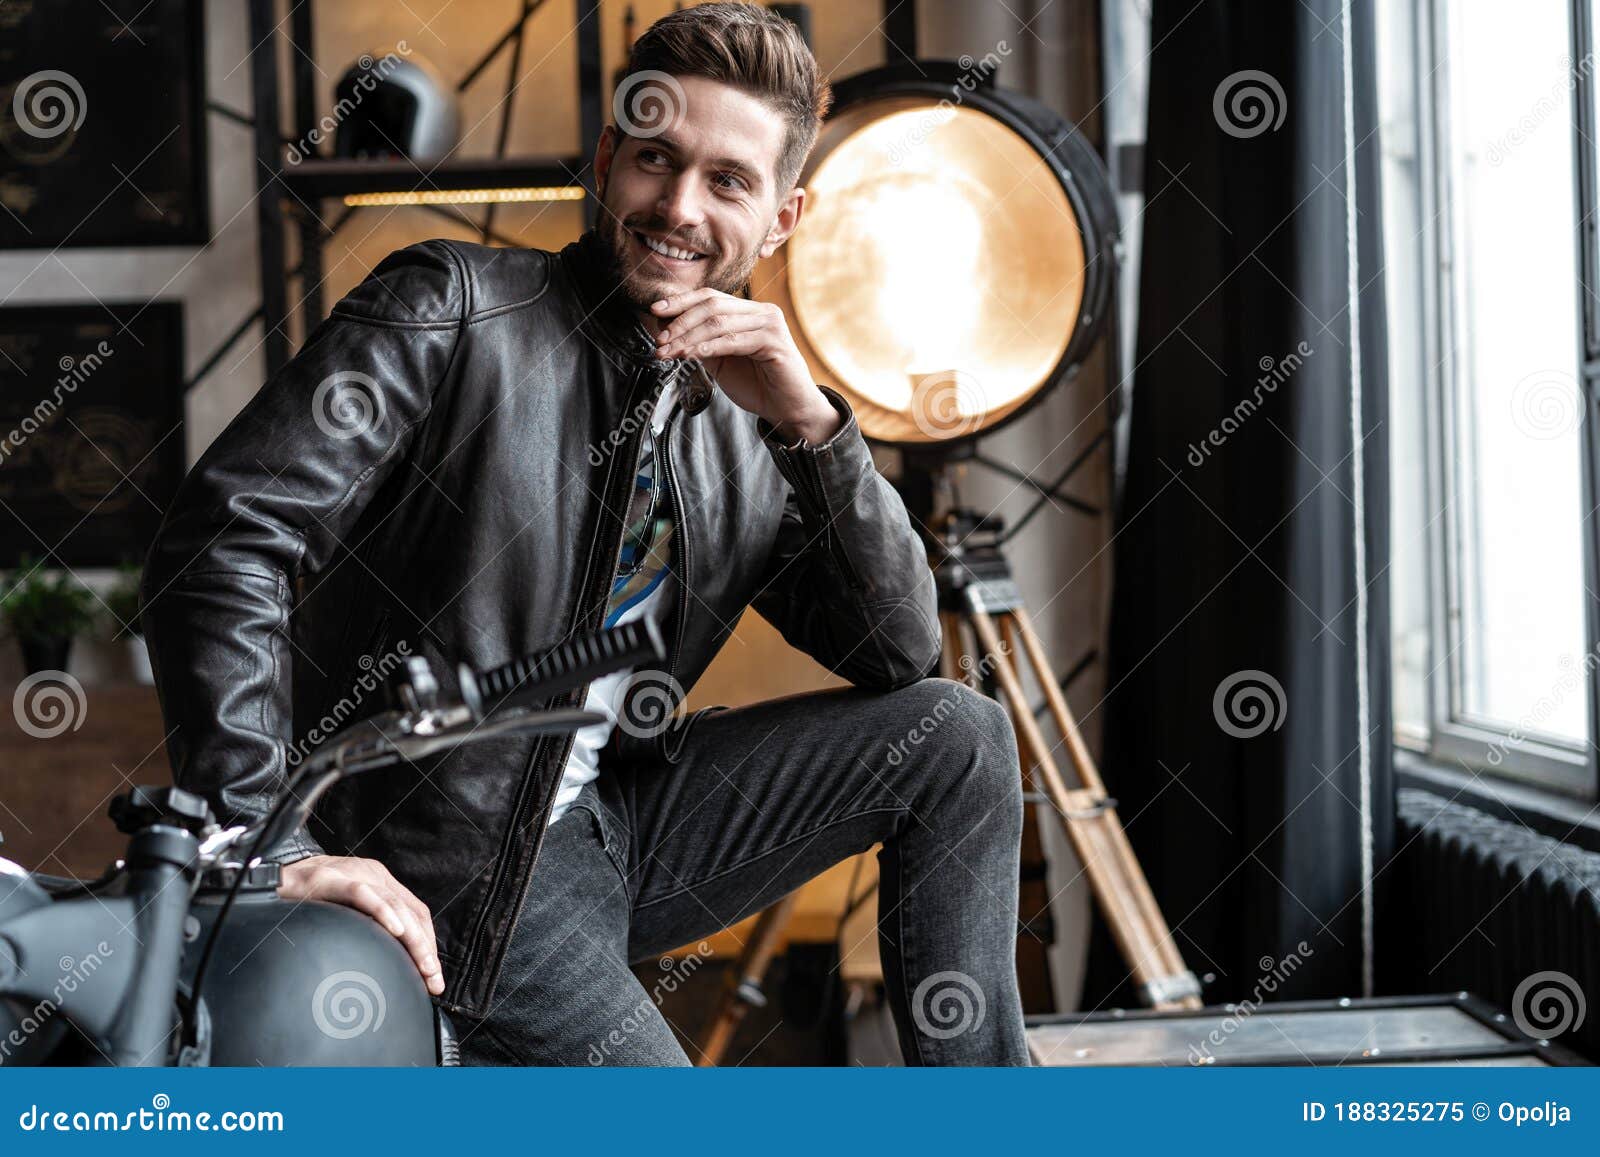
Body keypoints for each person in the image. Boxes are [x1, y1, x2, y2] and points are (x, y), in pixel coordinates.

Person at [141, 1, 1028, 1066]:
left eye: (729, 181)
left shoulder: (748, 427)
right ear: (609, 159)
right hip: (447, 856)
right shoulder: (455, 308)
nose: (681, 207)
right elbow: (223, 541)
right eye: (657, 159)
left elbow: (896, 651)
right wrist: (262, 840)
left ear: (783, 219)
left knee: (956, 734)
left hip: (613, 825)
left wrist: (814, 425)